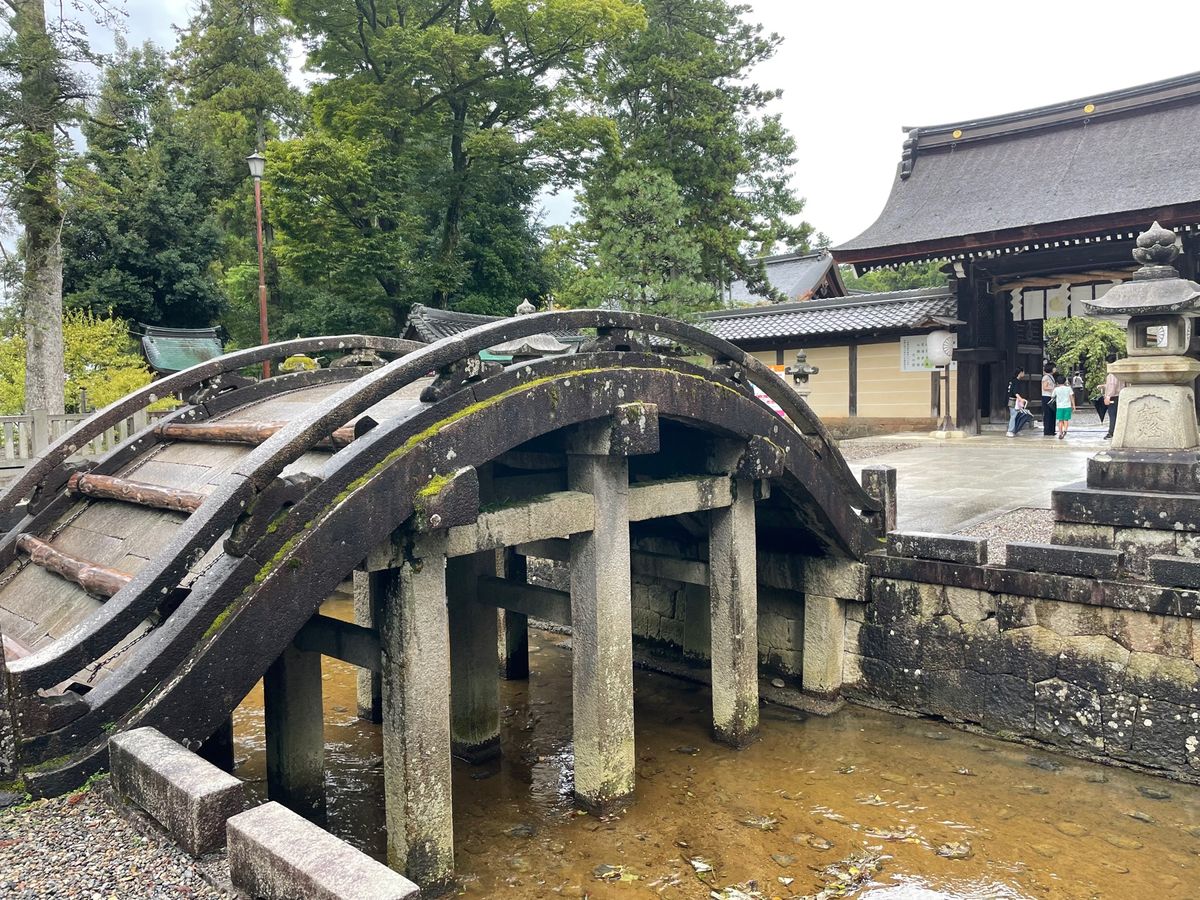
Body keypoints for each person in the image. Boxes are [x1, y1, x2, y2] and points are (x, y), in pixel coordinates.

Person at [1103, 352, 1123, 439]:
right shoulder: (1120, 373)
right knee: (1118, 414)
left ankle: (1111, 432)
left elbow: (1112, 385)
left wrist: (1108, 396)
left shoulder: (1112, 375)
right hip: (1120, 395)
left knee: (1112, 415)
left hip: (1113, 397)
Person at [1052, 373, 1075, 440]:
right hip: (1067, 406)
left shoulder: (1056, 389)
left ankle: (1060, 433)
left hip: (1059, 407)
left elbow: (1052, 396)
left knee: (1060, 420)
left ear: (1057, 382)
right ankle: (1065, 430)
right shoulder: (1068, 388)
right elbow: (1071, 397)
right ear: (1065, 381)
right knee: (1066, 420)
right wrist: (1073, 405)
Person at [1006, 367, 1027, 437]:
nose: (1024, 373)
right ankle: (1010, 431)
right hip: (1013, 400)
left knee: (1017, 415)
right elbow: (1015, 392)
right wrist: (1021, 399)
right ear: (1020, 373)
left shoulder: (1012, 380)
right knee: (1014, 415)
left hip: (1012, 400)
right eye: (1023, 372)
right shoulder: (1016, 381)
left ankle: (1016, 430)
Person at [1041, 362, 1057, 436]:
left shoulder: (1051, 376)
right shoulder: (1046, 377)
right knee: (1048, 414)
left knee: (1052, 414)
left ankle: (1052, 430)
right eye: (1054, 367)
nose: (1055, 369)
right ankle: (1047, 430)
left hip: (1051, 396)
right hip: (1046, 396)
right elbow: (1044, 387)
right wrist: (1054, 388)